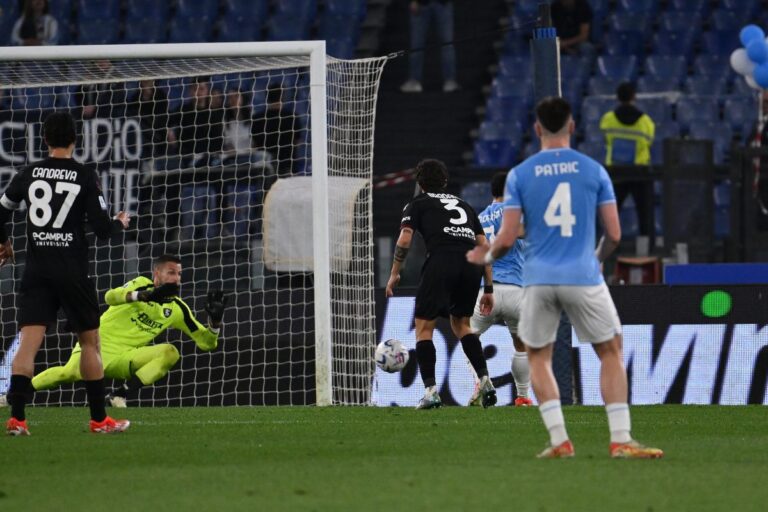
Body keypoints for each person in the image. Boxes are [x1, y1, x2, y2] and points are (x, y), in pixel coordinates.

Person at [467, 98, 663, 459]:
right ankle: (620, 439)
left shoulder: (520, 175)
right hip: (583, 274)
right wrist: (597, 259)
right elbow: (616, 235)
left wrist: (485, 255)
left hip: (538, 279)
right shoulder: (594, 171)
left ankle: (560, 441)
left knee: (538, 358)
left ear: (537, 129)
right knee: (610, 351)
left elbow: (507, 237)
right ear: (572, 127)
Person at [0, 111, 131, 435]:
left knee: (28, 345)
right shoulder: (84, 175)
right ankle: (100, 420)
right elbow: (102, 230)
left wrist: (4, 243)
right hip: (73, 271)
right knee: (90, 344)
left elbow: (1, 209)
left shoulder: (29, 173)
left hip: (37, 270)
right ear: (76, 139)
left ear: (44, 139)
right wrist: (119, 223)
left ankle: (17, 419)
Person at [9, 255, 226, 408]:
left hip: (126, 357)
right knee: (68, 374)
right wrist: (142, 296)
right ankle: (14, 396)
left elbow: (206, 343)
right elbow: (110, 296)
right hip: (97, 346)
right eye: (171, 273)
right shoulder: (141, 285)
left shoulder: (177, 309)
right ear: (156, 274)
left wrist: (214, 322)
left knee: (170, 352)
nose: (176, 278)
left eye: (179, 274)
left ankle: (120, 394)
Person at [385, 158, 496, 409]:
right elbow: (485, 246)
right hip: (472, 264)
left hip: (442, 260)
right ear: (445, 182)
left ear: (420, 183)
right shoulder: (465, 205)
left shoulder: (417, 203)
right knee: (462, 324)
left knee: (424, 328)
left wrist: (394, 273)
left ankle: (431, 391)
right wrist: (488, 288)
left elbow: (405, 238)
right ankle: (485, 379)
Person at [465, 171, 532, 407]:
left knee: (469, 337)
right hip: (516, 289)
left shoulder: (479, 217)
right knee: (521, 344)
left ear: (492, 192)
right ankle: (522, 396)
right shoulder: (515, 214)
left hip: (487, 291)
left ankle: (480, 383)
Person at [599, 82, 655, 236]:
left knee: (611, 213)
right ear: (634, 97)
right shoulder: (645, 122)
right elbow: (649, 142)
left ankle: (607, 248)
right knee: (645, 214)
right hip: (639, 172)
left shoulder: (607, 119)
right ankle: (647, 249)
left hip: (616, 172)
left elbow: (606, 140)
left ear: (617, 97)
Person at [400, 0, 459, 93]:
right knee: (417, 45)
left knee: (447, 44)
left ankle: (450, 80)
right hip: (422, 3)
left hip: (442, 3)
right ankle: (415, 80)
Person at [251, 87, 298, 175]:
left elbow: (254, 144)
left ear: (267, 98)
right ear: (282, 97)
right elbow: (297, 142)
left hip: (264, 167)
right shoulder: (292, 117)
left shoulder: (257, 118)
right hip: (287, 164)